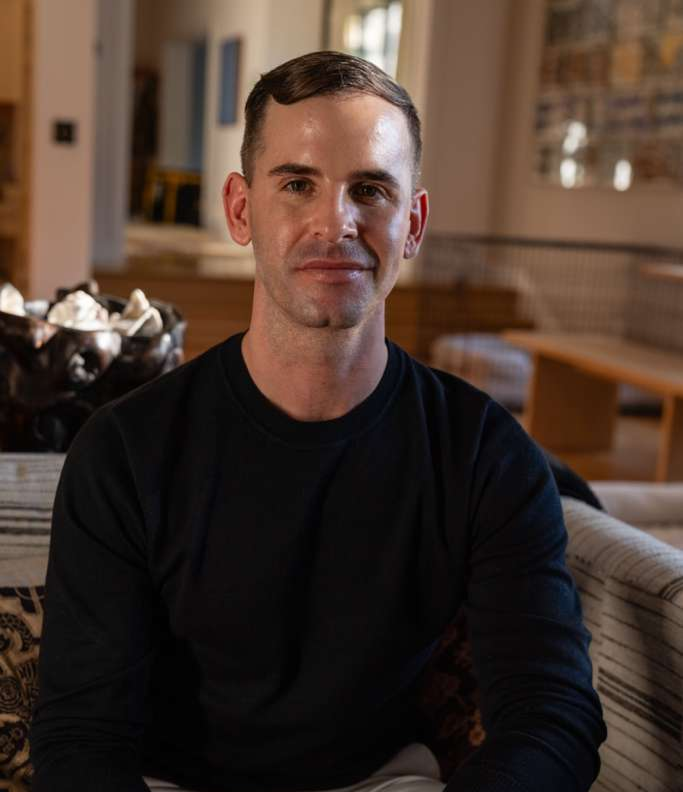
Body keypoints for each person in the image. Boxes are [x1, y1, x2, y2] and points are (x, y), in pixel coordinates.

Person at [30, 51, 606, 792]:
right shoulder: (125, 451)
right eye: (297, 184)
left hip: (383, 781)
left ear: (413, 222)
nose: (335, 222)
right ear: (241, 210)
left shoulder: (484, 453)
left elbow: (550, 709)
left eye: (369, 189)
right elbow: (82, 736)